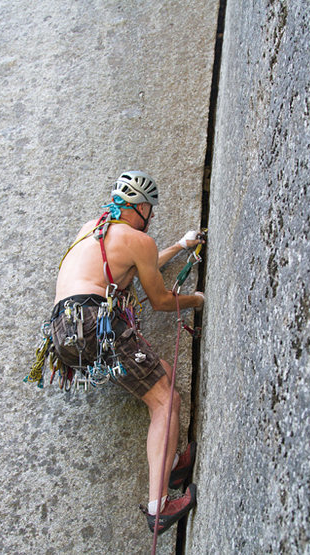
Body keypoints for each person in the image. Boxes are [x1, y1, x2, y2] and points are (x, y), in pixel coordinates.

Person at [50, 170, 204, 534]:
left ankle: (171, 465)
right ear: (140, 207)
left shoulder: (93, 229)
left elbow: (140, 267)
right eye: (149, 211)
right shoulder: (136, 239)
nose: (150, 219)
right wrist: (198, 300)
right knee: (163, 401)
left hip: (64, 330)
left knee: (162, 373)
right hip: (93, 321)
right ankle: (159, 506)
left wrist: (182, 246)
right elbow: (161, 299)